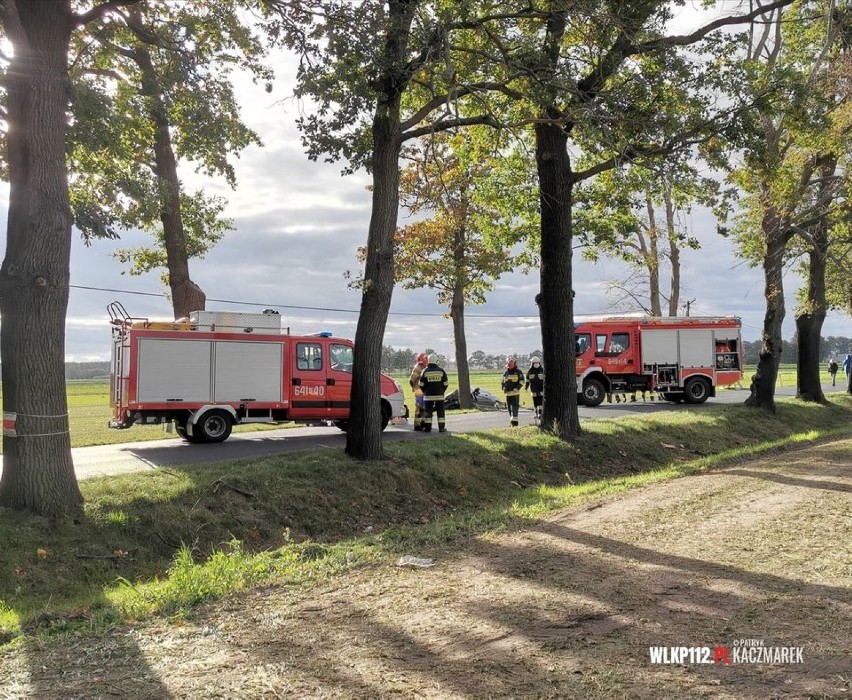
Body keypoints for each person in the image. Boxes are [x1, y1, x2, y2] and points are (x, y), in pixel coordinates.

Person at [418, 354, 449, 433]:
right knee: (441, 412)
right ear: (436, 361)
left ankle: (428, 428)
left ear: (428, 361)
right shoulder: (441, 371)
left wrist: (425, 391)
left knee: (428, 412)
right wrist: (441, 391)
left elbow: (421, 384)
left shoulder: (425, 371)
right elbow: (446, 384)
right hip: (440, 396)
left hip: (428, 396)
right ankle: (441, 428)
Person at [502, 356, 525, 427]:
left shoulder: (518, 372)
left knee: (514, 408)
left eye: (511, 363)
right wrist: (503, 388)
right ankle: (512, 423)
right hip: (508, 394)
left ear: (514, 364)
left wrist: (517, 388)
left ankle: (515, 424)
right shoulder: (506, 372)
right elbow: (503, 382)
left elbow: (522, 381)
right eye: (508, 364)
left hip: (515, 394)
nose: (509, 365)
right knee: (509, 409)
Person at [409, 352, 428, 431]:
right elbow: (411, 380)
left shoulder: (424, 368)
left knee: (424, 408)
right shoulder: (417, 368)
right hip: (419, 392)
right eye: (426, 358)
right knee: (419, 408)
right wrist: (415, 388)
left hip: (424, 391)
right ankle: (417, 425)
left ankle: (423, 423)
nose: (427, 360)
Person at [525, 356, 544, 422]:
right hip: (541, 390)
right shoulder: (542, 370)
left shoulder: (530, 371)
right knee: (540, 402)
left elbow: (527, 381)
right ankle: (540, 414)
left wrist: (526, 388)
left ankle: (537, 413)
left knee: (535, 402)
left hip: (534, 390)